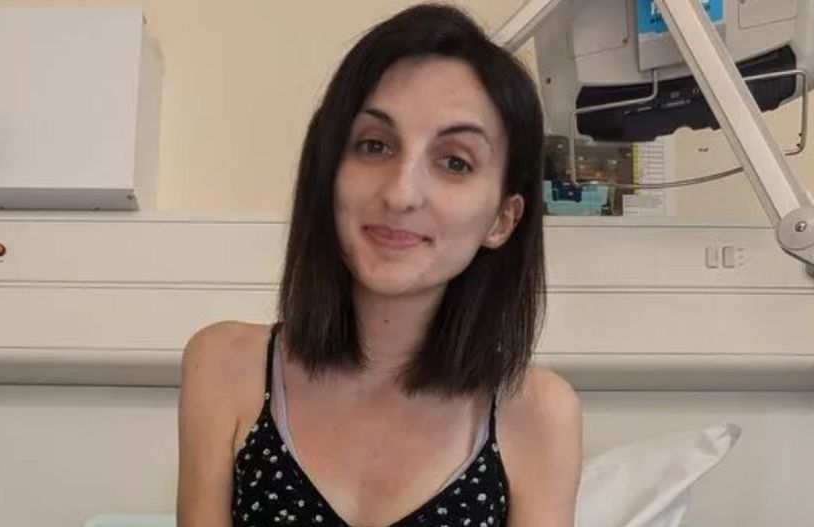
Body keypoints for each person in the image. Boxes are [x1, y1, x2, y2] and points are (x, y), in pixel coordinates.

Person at [177, 4, 582, 526]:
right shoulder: (224, 368)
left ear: (503, 219)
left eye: (455, 161)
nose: (400, 193)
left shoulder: (539, 414)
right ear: (329, 171)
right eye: (374, 146)